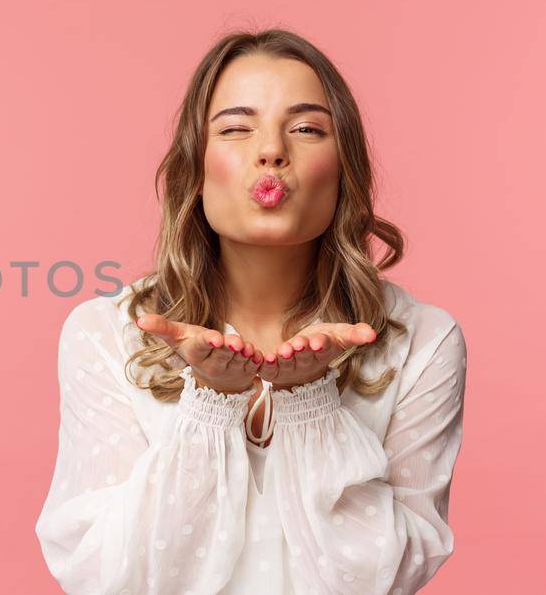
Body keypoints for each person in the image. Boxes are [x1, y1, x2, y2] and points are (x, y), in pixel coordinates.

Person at [33, 29, 467, 595]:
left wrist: (309, 403)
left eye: (307, 129)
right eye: (236, 128)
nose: (271, 150)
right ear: (196, 164)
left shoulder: (425, 343)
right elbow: (105, 577)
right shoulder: (104, 337)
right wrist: (209, 405)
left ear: (344, 170)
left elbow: (388, 579)